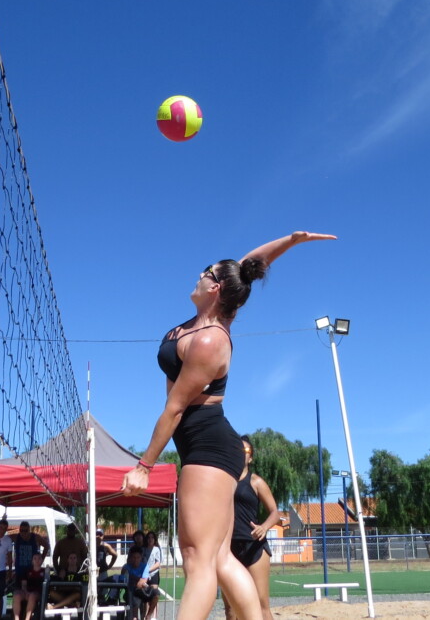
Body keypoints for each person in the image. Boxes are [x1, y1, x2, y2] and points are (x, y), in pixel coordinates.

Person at [121, 231, 336, 620]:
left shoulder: (211, 340)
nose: (198, 275)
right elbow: (246, 268)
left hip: (208, 445)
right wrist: (290, 241)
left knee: (197, 557)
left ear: (215, 288)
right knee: (218, 557)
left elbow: (174, 408)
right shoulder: (206, 318)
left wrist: (144, 466)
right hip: (206, 445)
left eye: (205, 273)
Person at [223, 436, 281, 620]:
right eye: (238, 449)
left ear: (251, 458)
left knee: (261, 606)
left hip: (254, 546)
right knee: (230, 609)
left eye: (246, 451)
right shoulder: (224, 481)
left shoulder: (256, 482)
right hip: (228, 549)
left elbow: (275, 513)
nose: (241, 453)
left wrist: (264, 527)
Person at [120, 547, 156, 620]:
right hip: (130, 592)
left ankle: (148, 615)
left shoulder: (145, 566)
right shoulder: (126, 567)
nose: (136, 560)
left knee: (156, 593)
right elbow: (123, 580)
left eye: (138, 557)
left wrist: (133, 577)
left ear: (141, 558)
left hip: (141, 591)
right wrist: (138, 579)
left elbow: (143, 582)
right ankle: (135, 617)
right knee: (135, 598)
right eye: (134, 557)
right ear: (130, 558)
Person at [11, 552, 45, 620]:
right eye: (35, 558)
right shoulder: (27, 571)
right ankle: (16, 618)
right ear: (32, 561)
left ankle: (27, 618)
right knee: (16, 595)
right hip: (27, 591)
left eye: (39, 558)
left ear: (42, 560)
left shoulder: (44, 572)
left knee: (32, 596)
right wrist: (25, 591)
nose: (37, 560)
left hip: (38, 593)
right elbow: (24, 584)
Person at [140, 532, 162, 620]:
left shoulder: (156, 549)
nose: (150, 539)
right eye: (149, 537)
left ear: (154, 539)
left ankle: (153, 616)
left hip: (153, 574)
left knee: (154, 595)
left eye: (152, 537)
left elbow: (158, 563)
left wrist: (148, 570)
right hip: (144, 576)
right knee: (145, 596)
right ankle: (144, 615)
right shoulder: (143, 549)